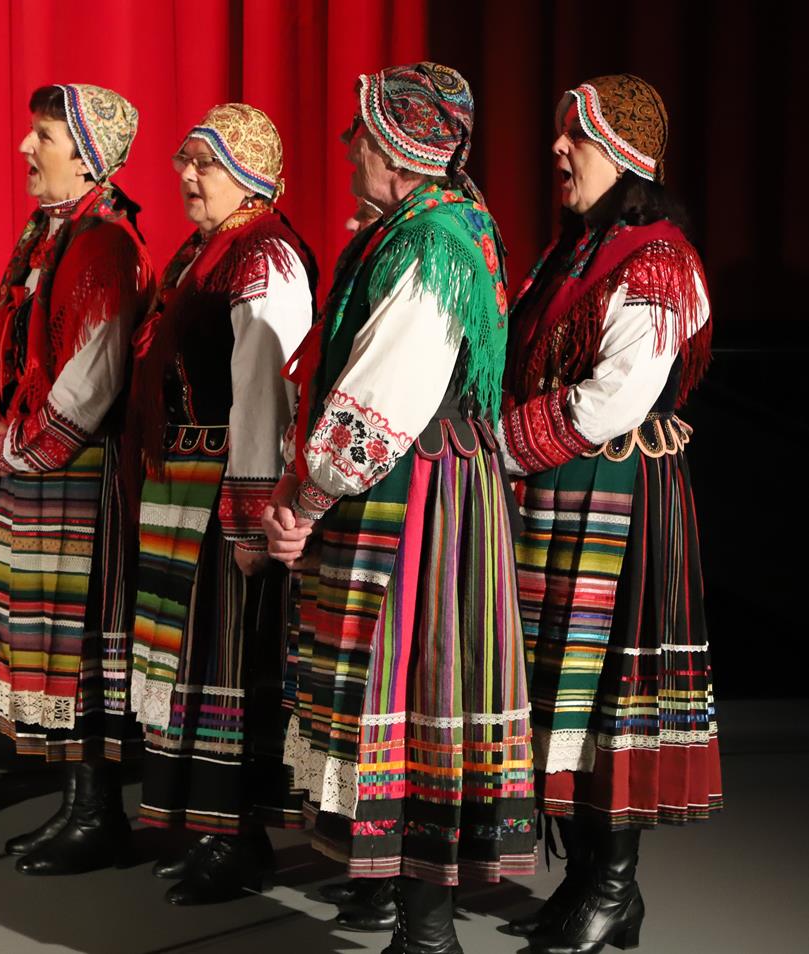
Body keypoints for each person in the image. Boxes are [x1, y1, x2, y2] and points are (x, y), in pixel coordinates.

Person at [265, 64, 534, 953]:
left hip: (417, 492)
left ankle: (426, 937)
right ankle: (397, 907)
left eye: (361, 133)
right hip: (419, 480)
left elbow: (383, 398)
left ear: (394, 149)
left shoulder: (430, 244)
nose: (347, 147)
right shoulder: (432, 225)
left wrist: (308, 498)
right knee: (406, 695)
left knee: (419, 693)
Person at [498, 74, 719, 954]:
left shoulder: (657, 260)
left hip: (616, 499)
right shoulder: (575, 252)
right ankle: (588, 879)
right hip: (561, 495)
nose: (556, 148)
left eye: (576, 136)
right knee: (562, 690)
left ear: (623, 157)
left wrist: (496, 446)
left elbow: (613, 398)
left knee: (603, 696)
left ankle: (613, 885)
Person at [127, 103, 315, 904]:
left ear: (248, 175)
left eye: (205, 162)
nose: (186, 175)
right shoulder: (206, 251)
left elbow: (262, 393)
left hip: (222, 487)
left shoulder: (263, 256)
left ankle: (237, 837)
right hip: (183, 483)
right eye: (186, 160)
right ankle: (206, 826)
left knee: (227, 658)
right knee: (191, 662)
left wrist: (247, 517)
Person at [0, 84, 154, 875]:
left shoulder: (103, 243)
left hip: (77, 466)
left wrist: (20, 449)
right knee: (50, 638)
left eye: (42, 135)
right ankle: (77, 805)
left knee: (78, 639)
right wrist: (4, 440)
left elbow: (94, 375)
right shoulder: (51, 234)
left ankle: (98, 813)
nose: (25, 147)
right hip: (39, 463)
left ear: (86, 158)